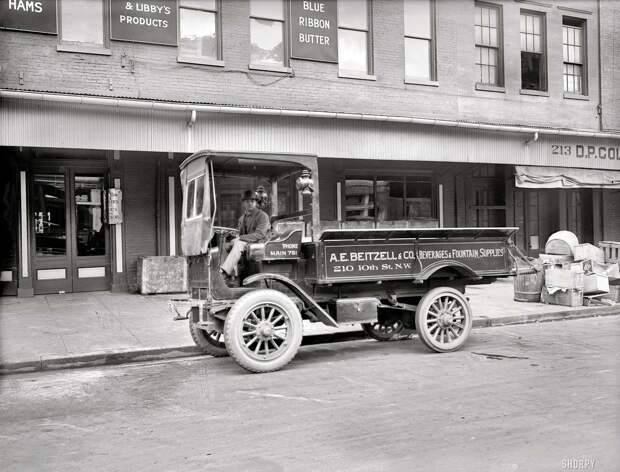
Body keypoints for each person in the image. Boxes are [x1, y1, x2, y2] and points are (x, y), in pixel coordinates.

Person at [220, 189, 270, 278]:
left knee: (239, 243)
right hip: (246, 243)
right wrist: (232, 236)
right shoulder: (241, 219)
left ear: (256, 202)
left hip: (258, 244)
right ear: (243, 203)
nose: (250, 203)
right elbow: (239, 233)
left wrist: (239, 238)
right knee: (225, 245)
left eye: (252, 201)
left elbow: (260, 234)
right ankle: (229, 274)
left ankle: (224, 272)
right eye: (247, 201)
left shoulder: (262, 216)